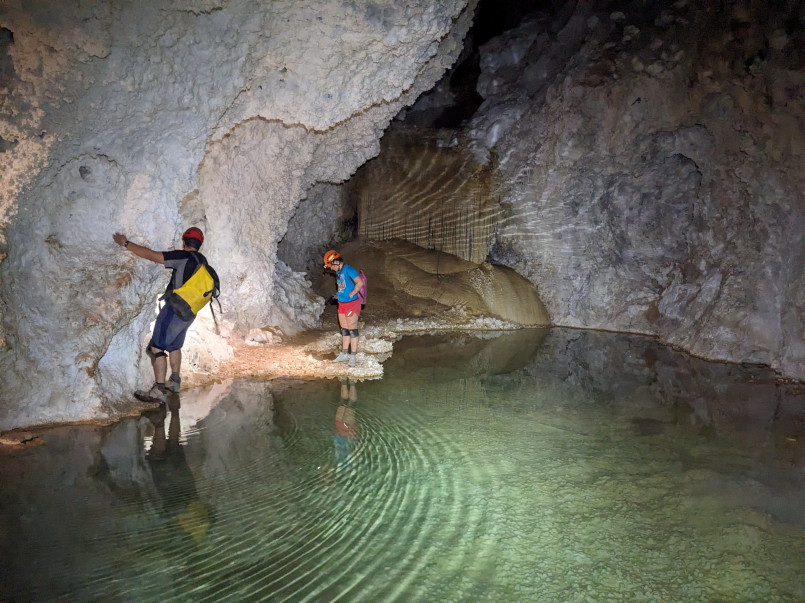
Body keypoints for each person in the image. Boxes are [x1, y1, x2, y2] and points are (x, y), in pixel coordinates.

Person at [113, 227, 209, 404]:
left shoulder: (182, 256)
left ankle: (158, 390)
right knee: (174, 345)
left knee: (157, 347)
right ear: (199, 244)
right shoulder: (203, 261)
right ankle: (174, 381)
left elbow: (152, 255)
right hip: (189, 313)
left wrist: (125, 243)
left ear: (184, 242)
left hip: (174, 310)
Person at [323, 249, 363, 367]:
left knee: (352, 330)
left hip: (352, 304)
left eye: (331, 265)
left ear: (336, 262)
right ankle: (344, 353)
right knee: (344, 330)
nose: (330, 268)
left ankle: (353, 356)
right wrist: (327, 264)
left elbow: (360, 283)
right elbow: (332, 267)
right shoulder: (338, 271)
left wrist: (353, 292)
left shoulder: (348, 269)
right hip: (342, 305)